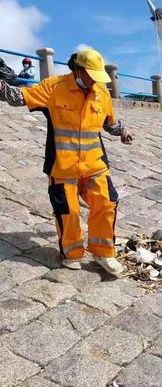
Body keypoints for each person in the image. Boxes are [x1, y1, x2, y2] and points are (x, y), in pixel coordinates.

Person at [0, 48, 133, 275]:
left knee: (107, 202)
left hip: (94, 165)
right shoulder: (53, 88)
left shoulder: (101, 92)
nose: (95, 82)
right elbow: (18, 97)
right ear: (79, 70)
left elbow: (109, 123)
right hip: (63, 166)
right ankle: (71, 253)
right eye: (91, 75)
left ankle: (103, 252)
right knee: (68, 211)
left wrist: (122, 131)